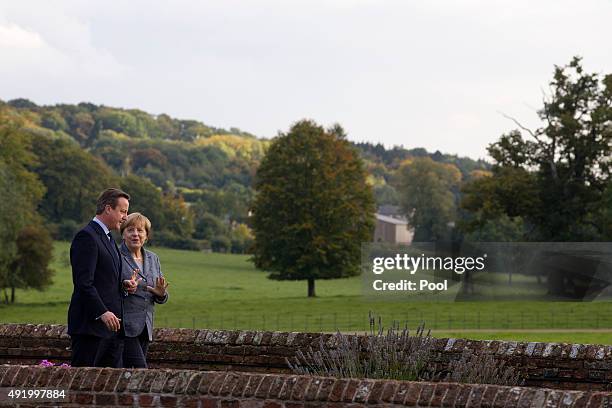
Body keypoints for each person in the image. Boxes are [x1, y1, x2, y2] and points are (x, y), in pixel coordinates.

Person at [67, 188, 137, 367]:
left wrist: (124, 285)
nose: (125, 217)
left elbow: (104, 280)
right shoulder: (87, 237)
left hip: (112, 331)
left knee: (109, 391)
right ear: (108, 209)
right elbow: (84, 283)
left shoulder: (109, 239)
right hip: (91, 329)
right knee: (82, 388)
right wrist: (102, 312)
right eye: (122, 211)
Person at [119, 212, 169, 368]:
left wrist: (161, 295)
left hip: (146, 327)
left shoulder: (153, 258)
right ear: (123, 234)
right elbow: (107, 287)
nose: (135, 234)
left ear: (146, 236)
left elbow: (160, 292)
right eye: (130, 230)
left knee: (130, 375)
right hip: (124, 327)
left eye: (140, 230)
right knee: (142, 371)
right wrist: (125, 287)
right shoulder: (116, 255)